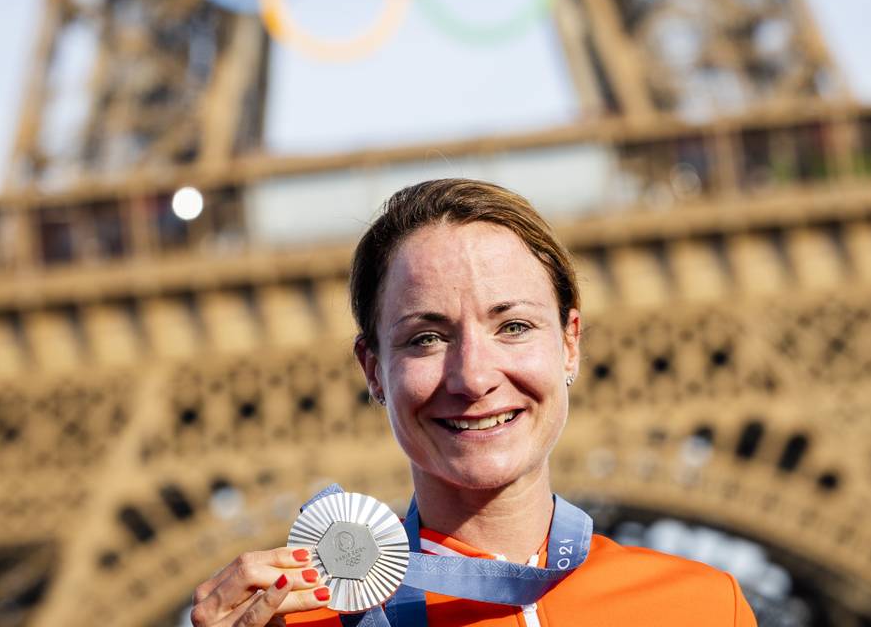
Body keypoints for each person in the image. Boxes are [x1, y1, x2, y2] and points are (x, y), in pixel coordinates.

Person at [190, 179, 757, 626]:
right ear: (373, 369)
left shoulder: (706, 608)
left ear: (570, 342)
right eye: (426, 338)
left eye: (512, 326)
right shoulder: (302, 624)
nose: (474, 376)